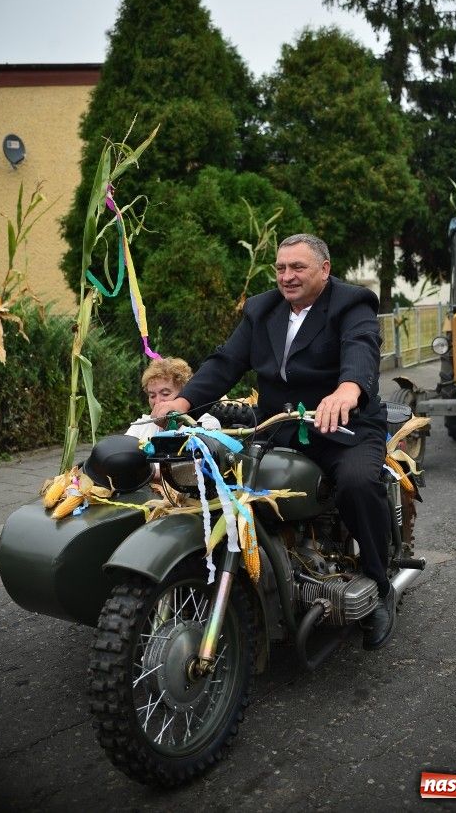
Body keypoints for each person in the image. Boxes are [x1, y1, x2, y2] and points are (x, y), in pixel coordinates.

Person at [151, 233, 396, 650]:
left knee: (357, 482)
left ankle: (379, 582)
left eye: (298, 267)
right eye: (281, 268)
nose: (287, 276)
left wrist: (348, 390)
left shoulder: (351, 303)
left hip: (344, 428)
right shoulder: (262, 309)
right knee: (224, 484)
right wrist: (183, 400)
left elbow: (361, 349)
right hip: (278, 427)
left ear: (325, 269)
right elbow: (226, 361)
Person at [126, 356, 194, 442]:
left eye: (165, 394)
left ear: (184, 393)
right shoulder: (141, 426)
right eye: (152, 396)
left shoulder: (204, 423)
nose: (157, 402)